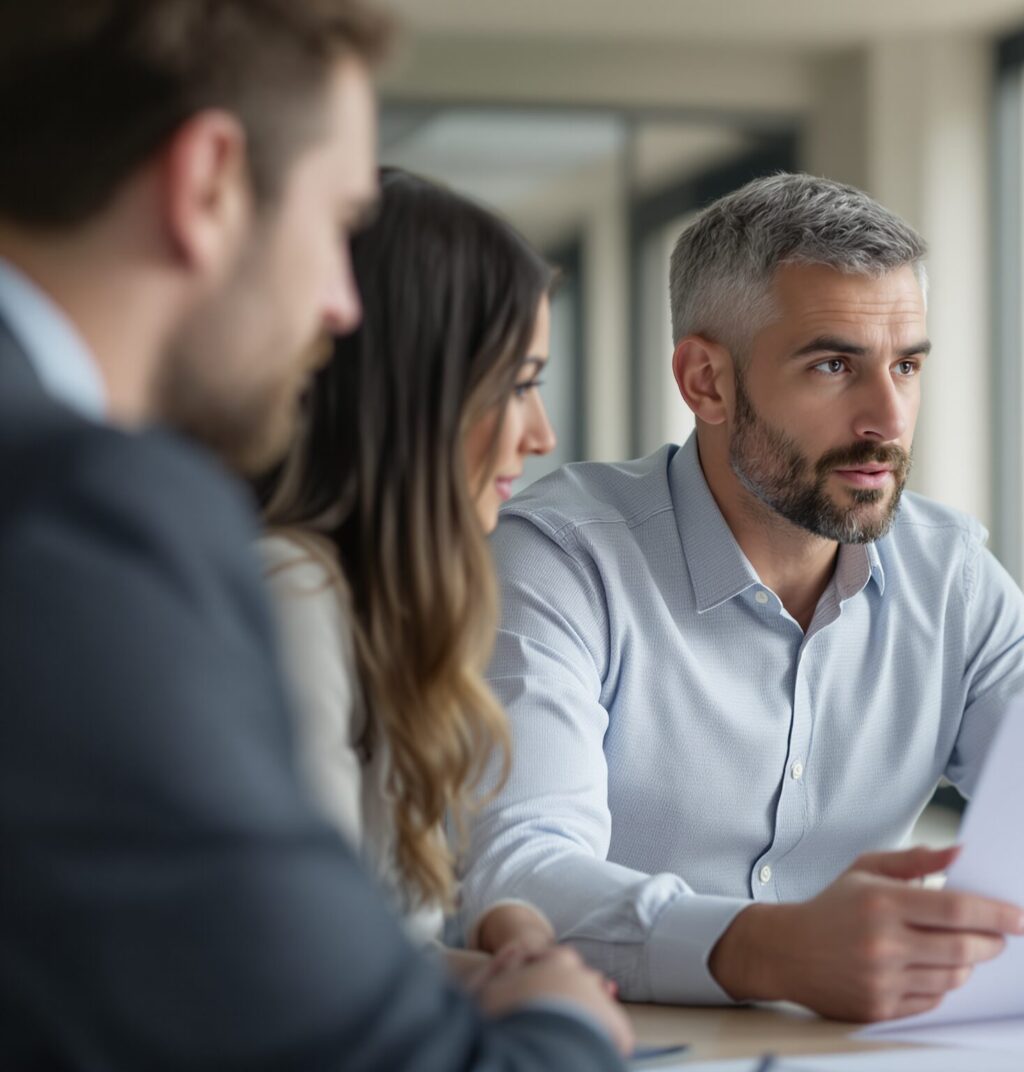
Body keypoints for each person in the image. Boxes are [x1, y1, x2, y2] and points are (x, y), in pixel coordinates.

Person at [0, 3, 631, 1066]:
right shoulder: (89, 514)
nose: (342, 307)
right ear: (208, 182)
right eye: (336, 225)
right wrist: (564, 1027)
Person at [461, 172, 1024, 1023]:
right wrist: (773, 950)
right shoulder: (560, 559)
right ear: (706, 382)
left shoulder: (949, 574)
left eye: (906, 366)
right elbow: (517, 871)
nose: (888, 419)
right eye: (834, 365)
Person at [255, 167, 563, 972]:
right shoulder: (290, 595)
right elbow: (315, 968)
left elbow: (381, 958)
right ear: (417, 395)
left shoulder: (370, 605)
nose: (542, 435)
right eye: (519, 385)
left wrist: (500, 973)